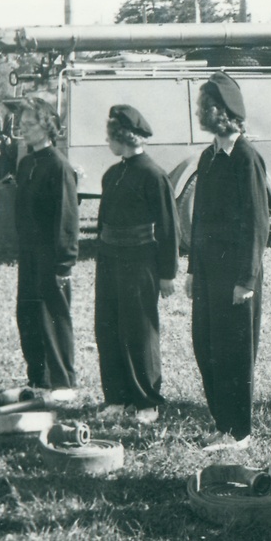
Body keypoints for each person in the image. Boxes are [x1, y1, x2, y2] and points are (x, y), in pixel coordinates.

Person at [184, 72, 270, 451]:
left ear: (226, 112)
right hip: (207, 272)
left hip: (235, 274)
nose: (200, 112)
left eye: (207, 105)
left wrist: (247, 279)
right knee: (207, 346)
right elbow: (199, 217)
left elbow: (257, 221)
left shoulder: (246, 158)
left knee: (234, 351)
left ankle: (239, 432)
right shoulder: (209, 156)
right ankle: (222, 424)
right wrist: (191, 270)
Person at [95, 105, 178, 424]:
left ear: (123, 137)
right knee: (108, 326)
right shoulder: (112, 175)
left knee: (139, 330)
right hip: (110, 262)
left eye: (110, 136)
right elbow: (103, 225)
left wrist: (167, 273)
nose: (107, 142)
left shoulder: (153, 174)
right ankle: (116, 398)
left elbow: (169, 227)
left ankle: (146, 402)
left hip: (140, 263)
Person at [14, 98, 79, 402]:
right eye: (22, 124)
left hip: (50, 256)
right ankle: (38, 378)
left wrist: (63, 264)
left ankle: (62, 382)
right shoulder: (26, 163)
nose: (23, 129)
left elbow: (66, 220)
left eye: (30, 124)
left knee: (53, 317)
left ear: (48, 125)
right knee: (28, 314)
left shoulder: (58, 166)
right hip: (28, 255)